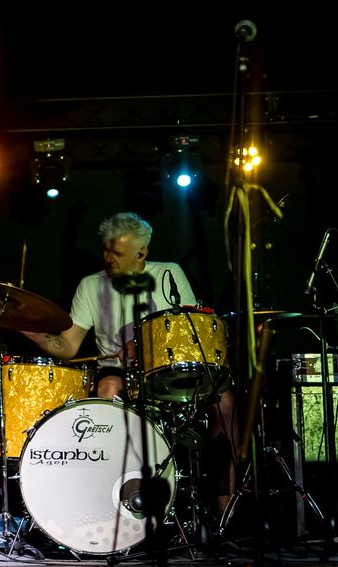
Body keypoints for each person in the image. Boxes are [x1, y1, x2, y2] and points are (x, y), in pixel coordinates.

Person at [23, 212, 237, 513]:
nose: (108, 258)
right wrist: (33, 332)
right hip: (120, 371)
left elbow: (188, 329)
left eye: (117, 253)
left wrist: (143, 342)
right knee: (108, 388)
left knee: (225, 403)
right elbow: (68, 347)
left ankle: (225, 509)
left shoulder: (169, 273)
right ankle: (110, 500)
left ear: (142, 253)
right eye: (106, 250)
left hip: (165, 367)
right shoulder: (90, 286)